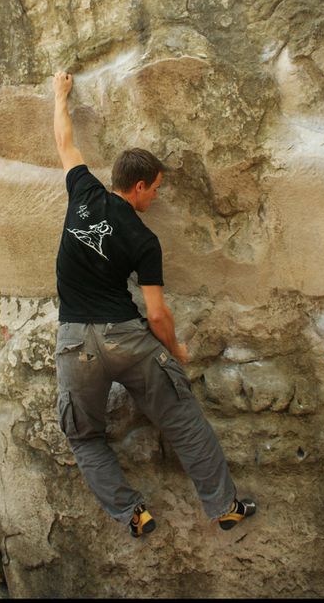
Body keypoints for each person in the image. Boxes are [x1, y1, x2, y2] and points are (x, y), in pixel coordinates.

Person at [52, 70, 256, 537]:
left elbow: (65, 143)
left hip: (73, 341)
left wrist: (59, 94)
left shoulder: (83, 193)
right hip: (126, 337)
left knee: (84, 437)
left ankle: (133, 514)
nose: (157, 194)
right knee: (183, 420)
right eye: (157, 186)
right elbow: (158, 313)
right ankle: (224, 508)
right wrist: (177, 352)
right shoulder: (144, 239)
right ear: (139, 186)